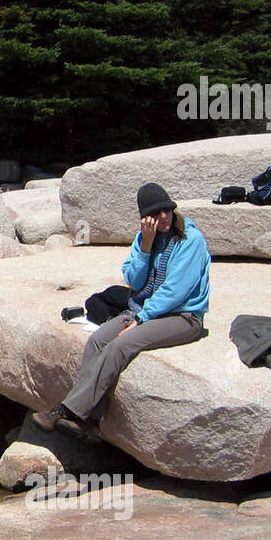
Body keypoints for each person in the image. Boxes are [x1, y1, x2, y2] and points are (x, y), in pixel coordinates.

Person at [34, 182, 211, 440]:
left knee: (119, 345)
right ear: (145, 218)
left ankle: (68, 412)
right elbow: (134, 280)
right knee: (97, 341)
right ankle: (90, 420)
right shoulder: (145, 238)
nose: (163, 217)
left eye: (167, 210)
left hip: (182, 316)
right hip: (144, 308)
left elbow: (175, 292)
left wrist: (140, 319)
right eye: (156, 213)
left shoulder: (190, 240)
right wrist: (146, 245)